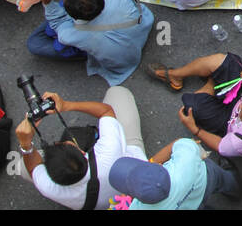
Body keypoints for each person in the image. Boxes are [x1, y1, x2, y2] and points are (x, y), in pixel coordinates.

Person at [26, 0, 155, 84]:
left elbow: (57, 22)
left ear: (72, 16)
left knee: (35, 42)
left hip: (123, 60)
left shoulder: (71, 35)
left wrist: (48, 2)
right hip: (142, 24)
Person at [146, 56, 242, 160]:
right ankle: (175, 74)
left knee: (191, 108)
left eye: (241, 112)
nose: (240, 104)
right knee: (218, 61)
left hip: (226, 119)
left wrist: (195, 130)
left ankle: (212, 82)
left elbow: (220, 146)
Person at [17, 86, 147, 210]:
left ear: (50, 175)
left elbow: (33, 167)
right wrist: (66, 105)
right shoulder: (110, 150)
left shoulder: (48, 186)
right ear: (81, 152)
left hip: (96, 204)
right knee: (118, 92)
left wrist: (25, 144)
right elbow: (106, 111)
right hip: (132, 182)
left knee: (22, 166)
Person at [108, 140, 242, 209]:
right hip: (204, 180)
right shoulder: (184, 162)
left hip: (188, 206)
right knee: (224, 180)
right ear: (157, 166)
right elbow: (184, 143)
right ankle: (236, 190)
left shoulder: (138, 207)